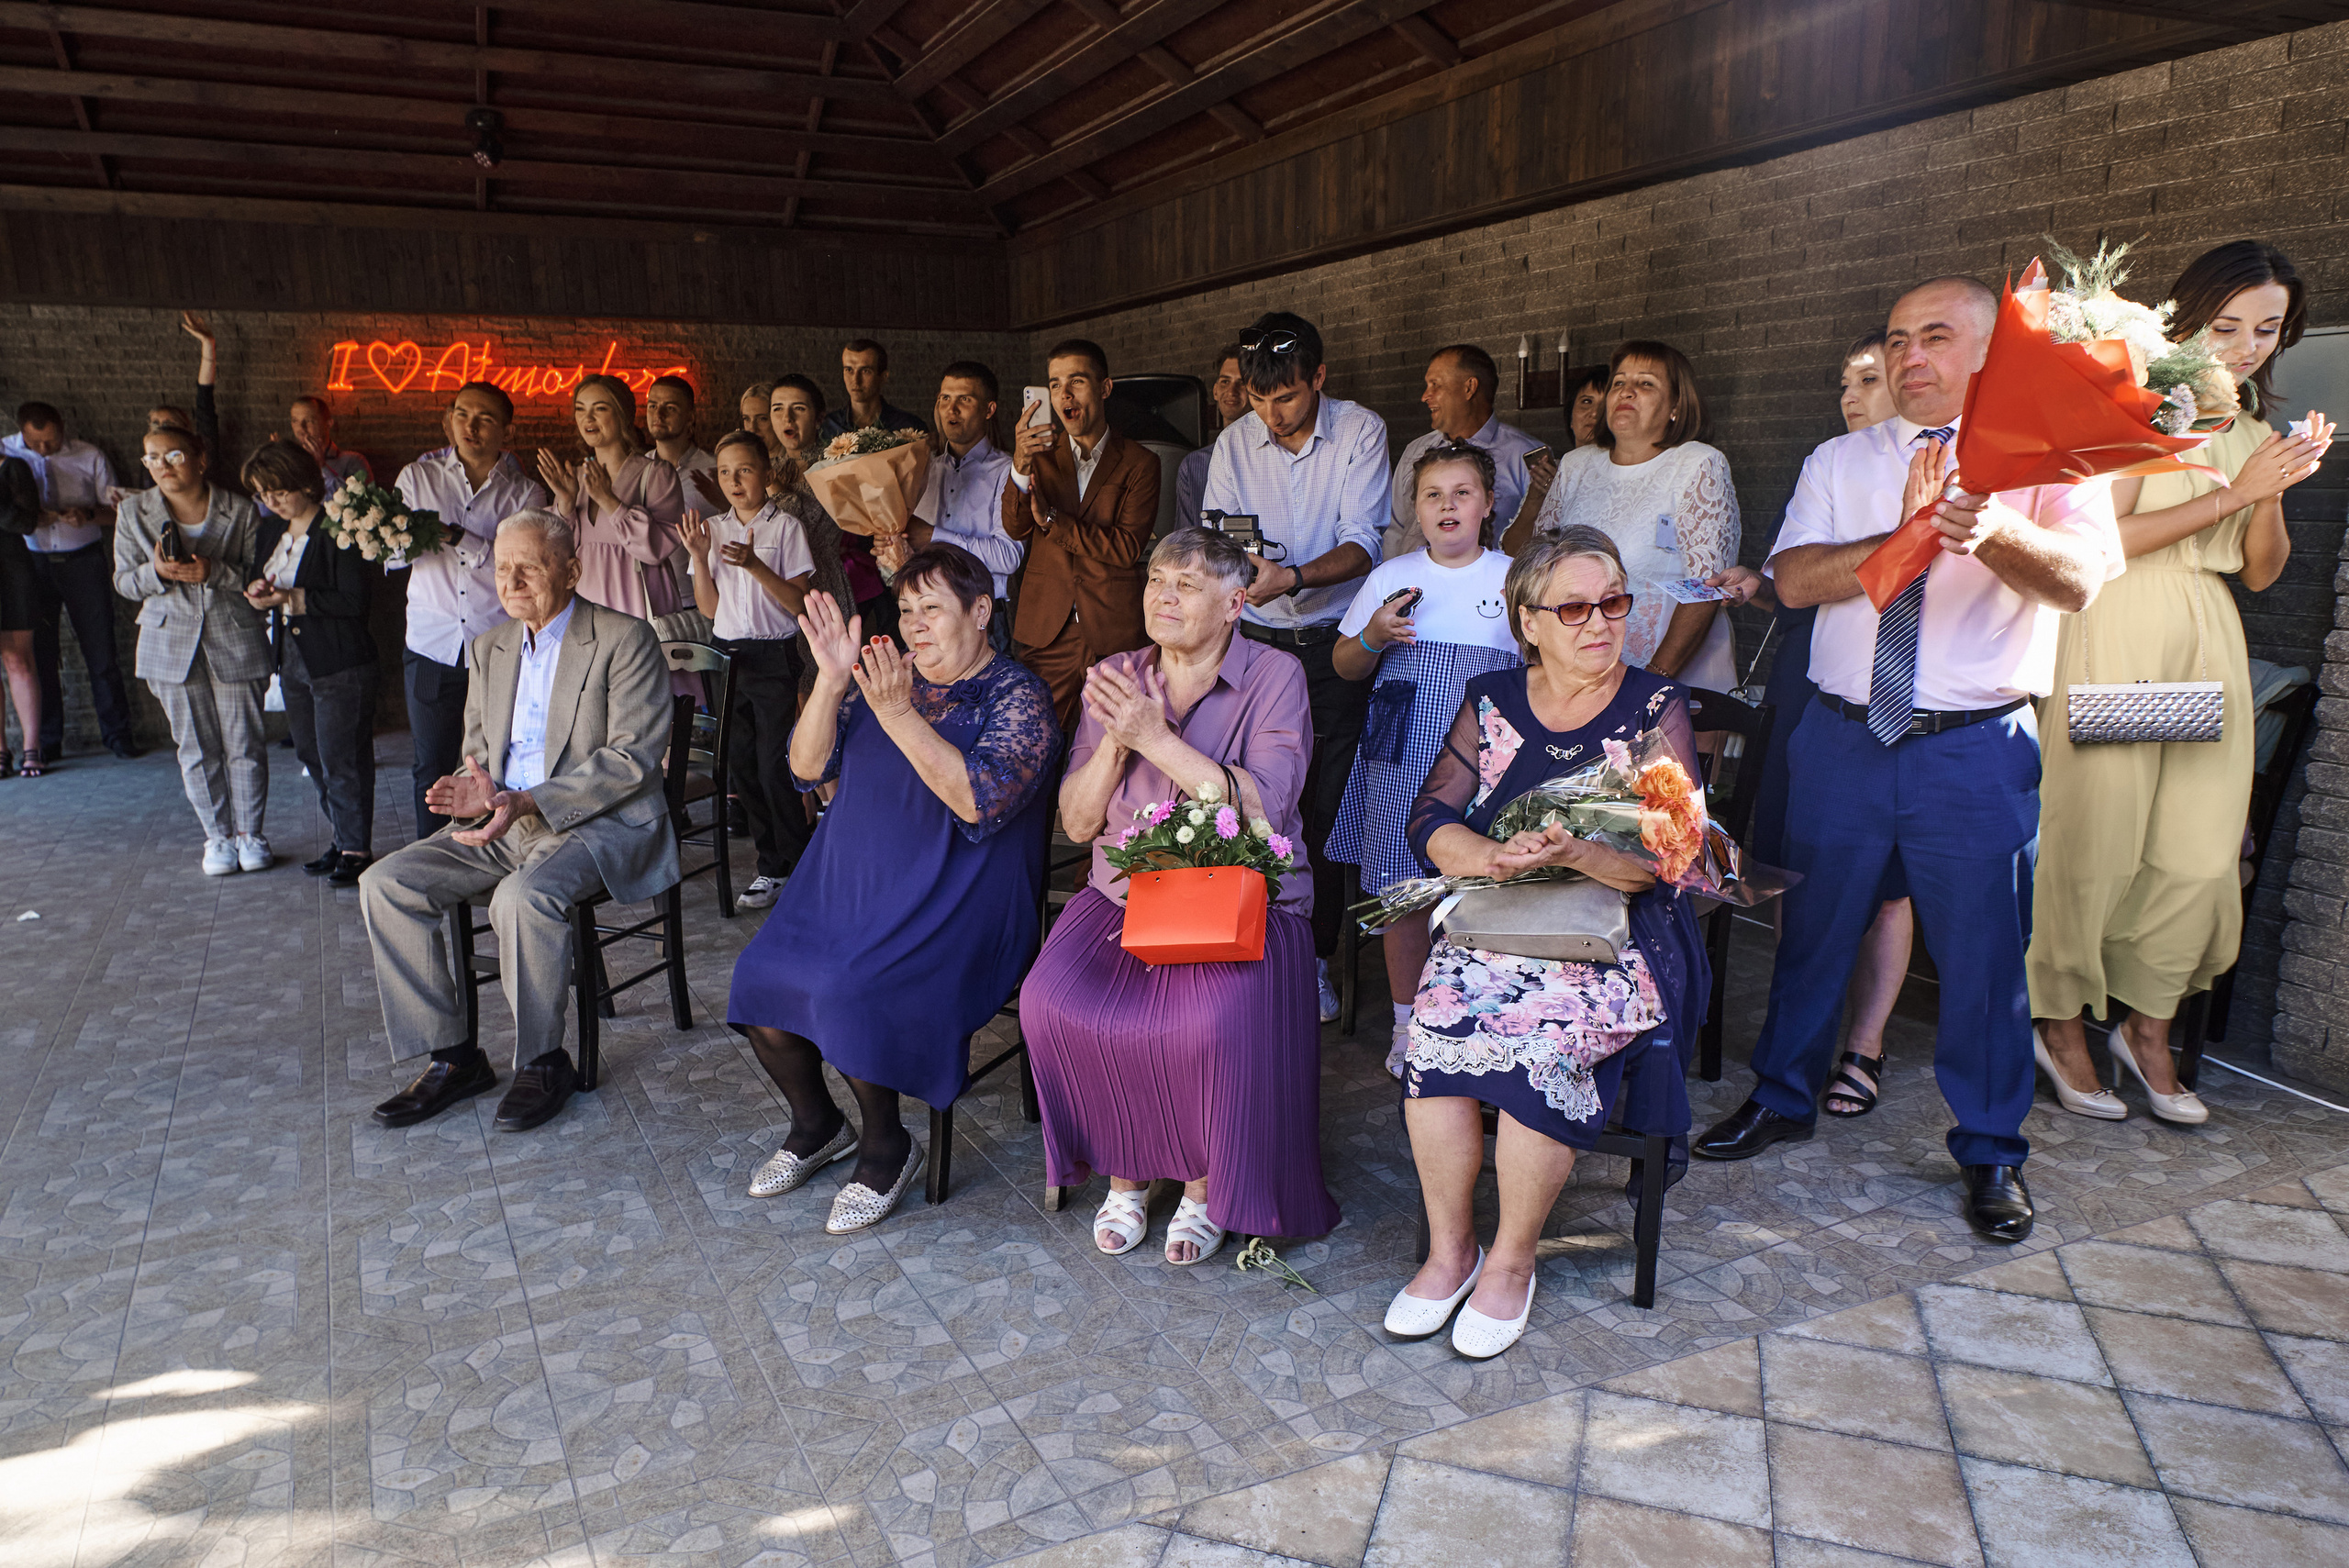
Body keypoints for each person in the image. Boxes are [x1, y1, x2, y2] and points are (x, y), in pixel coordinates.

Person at [1695, 275, 2126, 1247]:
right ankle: (1782, 1095)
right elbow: (1794, 579)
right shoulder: (1841, 457)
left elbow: (2081, 583)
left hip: (1972, 750)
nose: (1908, 356)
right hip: (1844, 737)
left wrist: (1993, 525)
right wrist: (1905, 536)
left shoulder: (2053, 459)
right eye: (1896, 339)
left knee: (1982, 961)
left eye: (1935, 335)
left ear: (1987, 352)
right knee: (1811, 932)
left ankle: (1990, 1148)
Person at [1386, 528, 1709, 1358]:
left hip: (1615, 931)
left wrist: (1578, 853)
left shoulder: (1651, 705)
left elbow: (1674, 856)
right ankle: (1450, 1251)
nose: (1600, 622)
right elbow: (1429, 817)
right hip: (1500, 914)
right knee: (1437, 1026)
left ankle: (1511, 1261)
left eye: (1614, 602)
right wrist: (1490, 858)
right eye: (1573, 607)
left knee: (1544, 1035)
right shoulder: (1491, 697)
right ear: (1527, 620)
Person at [2032, 240, 2333, 1126]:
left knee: (2198, 854)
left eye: (2267, 330)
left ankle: (2147, 1026)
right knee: (2098, 840)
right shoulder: (2137, 413)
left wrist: (2272, 488)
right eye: (2227, 325)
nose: (2245, 345)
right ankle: (2060, 1025)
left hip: (2206, 644)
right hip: (2120, 629)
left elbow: (2262, 573)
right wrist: (2237, 493)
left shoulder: (2253, 433)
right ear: (2188, 318)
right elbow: (2103, 545)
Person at [1021, 527, 1340, 1265]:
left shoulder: (1276, 676)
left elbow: (1268, 810)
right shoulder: (1117, 672)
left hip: (1241, 894)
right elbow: (1075, 820)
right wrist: (1114, 739)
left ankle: (1205, 1185)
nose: (1164, 595)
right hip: (1124, 894)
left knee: (1207, 1019)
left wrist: (1152, 733)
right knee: (1051, 1002)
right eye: (1157, 579)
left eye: (1186, 584)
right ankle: (1126, 1173)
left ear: (1234, 603)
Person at [726, 544, 1058, 1235]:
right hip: (848, 883)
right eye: (905, 609)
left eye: (931, 608)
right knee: (760, 975)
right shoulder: (884, 678)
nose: (914, 625)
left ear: (979, 611)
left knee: (849, 989)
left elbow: (980, 802)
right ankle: (818, 1125)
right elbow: (805, 765)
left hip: (960, 899)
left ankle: (886, 1143)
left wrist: (900, 713)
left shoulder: (1016, 695)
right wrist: (828, 680)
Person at [359, 510, 679, 1134]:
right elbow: (477, 751)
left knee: (523, 898)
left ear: (571, 569)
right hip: (504, 822)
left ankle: (542, 1059)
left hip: (597, 823)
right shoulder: (490, 647)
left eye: (529, 565)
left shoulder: (623, 638)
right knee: (386, 883)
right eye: (503, 568)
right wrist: (470, 789)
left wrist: (528, 802)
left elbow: (631, 759)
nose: (513, 580)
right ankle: (454, 1057)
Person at [1720, 329, 1914, 1118]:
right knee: (1804, 867)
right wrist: (1760, 588)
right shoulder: (1829, 468)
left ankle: (1864, 1044)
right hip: (1816, 684)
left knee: (1893, 885)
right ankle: (1791, 1061)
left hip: (1918, 704)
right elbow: (1797, 581)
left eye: (1868, 377)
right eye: (1845, 380)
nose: (1851, 394)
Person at [1200, 311, 1389, 1017]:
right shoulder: (1233, 443)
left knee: (1325, 803)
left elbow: (1363, 543)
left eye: (1285, 397)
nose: (1270, 415)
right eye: (1256, 398)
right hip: (1252, 640)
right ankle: (1248, 940)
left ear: (1319, 377)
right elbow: (1220, 540)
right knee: (1248, 793)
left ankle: (1314, 955)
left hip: (1334, 639)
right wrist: (1244, 575)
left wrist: (1295, 576)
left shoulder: (1360, 430)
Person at [1330, 441, 1523, 1071]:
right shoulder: (1392, 576)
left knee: (1478, 885)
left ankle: (1473, 1015)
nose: (1447, 506)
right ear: (1415, 506)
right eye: (1432, 494)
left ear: (1488, 503)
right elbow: (1345, 664)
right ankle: (1407, 1024)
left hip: (1487, 754)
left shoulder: (1514, 578)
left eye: (1462, 492)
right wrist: (1372, 634)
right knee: (1402, 889)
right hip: (1400, 753)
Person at [1523, 340, 1741, 693]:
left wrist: (1653, 680)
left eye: (1646, 384)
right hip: (1579, 673)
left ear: (1676, 406)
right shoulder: (1577, 465)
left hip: (1667, 674)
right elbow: (1539, 568)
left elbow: (1706, 588)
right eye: (1619, 382)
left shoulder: (1697, 464)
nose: (1627, 392)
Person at [392, 381, 553, 837]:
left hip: (498, 646)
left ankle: (493, 847)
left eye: (484, 418)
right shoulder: (417, 479)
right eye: (462, 414)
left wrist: (457, 536)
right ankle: (434, 856)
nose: (471, 426)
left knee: (499, 758)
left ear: (507, 429)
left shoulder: (525, 494)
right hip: (430, 643)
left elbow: (521, 566)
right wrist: (392, 536)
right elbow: (391, 556)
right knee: (431, 762)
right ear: (449, 419)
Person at [112, 424, 274, 874]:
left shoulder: (240, 510)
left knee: (245, 741)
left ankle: (251, 833)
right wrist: (157, 573)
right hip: (168, 641)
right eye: (152, 458)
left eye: (174, 456)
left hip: (234, 635)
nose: (162, 466)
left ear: (200, 458)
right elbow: (124, 581)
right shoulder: (133, 511)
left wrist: (215, 571)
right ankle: (217, 837)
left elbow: (260, 577)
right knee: (195, 747)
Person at [678, 431, 818, 910]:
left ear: (766, 474)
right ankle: (771, 867)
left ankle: (797, 867)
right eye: (724, 473)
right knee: (741, 763)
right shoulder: (713, 530)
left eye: (744, 470)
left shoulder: (786, 528)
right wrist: (699, 558)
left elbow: (799, 603)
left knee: (775, 763)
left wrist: (757, 566)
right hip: (726, 655)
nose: (734, 481)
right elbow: (711, 609)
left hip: (774, 655)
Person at [1003, 339, 1161, 731]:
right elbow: (1015, 526)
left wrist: (1054, 520)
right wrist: (1021, 464)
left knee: (1114, 744)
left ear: (1105, 388)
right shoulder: (1038, 453)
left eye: (1076, 381)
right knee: (1035, 739)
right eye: (1054, 384)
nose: (1064, 394)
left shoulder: (1142, 463)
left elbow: (1126, 548)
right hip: (1047, 630)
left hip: (1112, 631)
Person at [243, 441, 379, 884]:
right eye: (263, 493)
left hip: (339, 659)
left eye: (278, 491)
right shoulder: (271, 532)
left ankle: (357, 847)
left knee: (342, 756)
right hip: (293, 659)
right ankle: (342, 839)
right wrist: (259, 593)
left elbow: (355, 599)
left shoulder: (340, 526)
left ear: (305, 482)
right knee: (310, 752)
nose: (271, 501)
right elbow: (259, 577)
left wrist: (292, 598)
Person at [5, 402, 137, 765]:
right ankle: (47, 741)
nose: (45, 450)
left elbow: (119, 511)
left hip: (83, 560)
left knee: (102, 650)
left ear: (62, 428)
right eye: (37, 443)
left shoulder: (89, 455)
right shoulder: (5, 453)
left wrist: (88, 514)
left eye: (52, 441)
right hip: (30, 564)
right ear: (21, 433)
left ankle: (118, 734)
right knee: (41, 655)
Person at [535, 373, 689, 634]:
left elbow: (656, 549)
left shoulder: (656, 475)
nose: (588, 419)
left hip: (636, 604)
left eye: (600, 409)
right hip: (586, 604)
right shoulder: (576, 478)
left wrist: (610, 501)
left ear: (623, 415)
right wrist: (566, 503)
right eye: (580, 410)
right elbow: (556, 552)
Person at [1383, 345, 1553, 559]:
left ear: (1469, 388)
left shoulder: (1525, 456)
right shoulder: (1414, 451)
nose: (1425, 396)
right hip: (1415, 586)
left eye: (1435, 385)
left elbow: (1542, 540)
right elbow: (1395, 530)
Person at [908, 361, 1020, 649]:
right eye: (944, 399)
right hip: (927, 612)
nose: (951, 409)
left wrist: (935, 537)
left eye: (964, 400)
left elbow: (1008, 556)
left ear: (989, 409)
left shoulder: (1007, 470)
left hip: (982, 614)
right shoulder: (924, 469)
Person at [1173, 342, 1246, 530]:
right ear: (1215, 391)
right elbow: (1186, 540)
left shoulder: (1273, 455)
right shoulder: (1193, 465)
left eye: (1242, 383)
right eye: (1225, 382)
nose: (1231, 391)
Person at [0, 451, 39, 777]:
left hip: (11, 569)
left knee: (19, 660)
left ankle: (32, 749)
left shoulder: (12, 467)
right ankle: (0, 752)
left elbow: (26, 522)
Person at [819, 338, 927, 439]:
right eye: (849, 370)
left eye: (865, 371)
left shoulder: (910, 427)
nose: (855, 380)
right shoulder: (826, 427)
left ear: (883, 377)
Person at [647, 373, 723, 510]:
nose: (658, 414)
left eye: (670, 408)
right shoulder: (637, 469)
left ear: (690, 417)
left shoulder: (715, 469)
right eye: (652, 406)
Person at [285, 396, 372, 496]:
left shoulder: (352, 460)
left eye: (309, 421)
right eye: (295, 421)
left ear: (328, 424)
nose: (301, 428)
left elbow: (358, 502)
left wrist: (322, 467)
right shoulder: (289, 461)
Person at [1565, 364, 1609, 451]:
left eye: (1605, 405)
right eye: (1587, 401)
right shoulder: (1564, 463)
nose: (1595, 413)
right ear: (1571, 418)